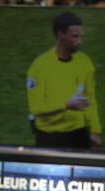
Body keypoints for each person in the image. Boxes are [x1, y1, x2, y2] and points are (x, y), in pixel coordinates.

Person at [27, 11, 102, 149]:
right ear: (61, 35)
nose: (80, 41)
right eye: (75, 36)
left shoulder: (85, 62)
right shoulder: (39, 67)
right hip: (48, 135)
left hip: (77, 133)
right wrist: (65, 105)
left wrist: (95, 130)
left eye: (81, 36)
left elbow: (89, 98)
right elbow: (36, 108)